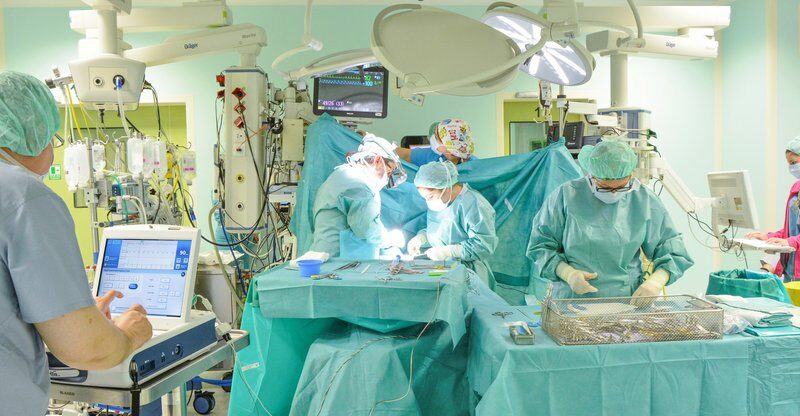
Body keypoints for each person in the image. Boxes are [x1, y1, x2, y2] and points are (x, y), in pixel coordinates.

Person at [0, 70, 153, 415]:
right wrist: (128, 335)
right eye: (51, 139)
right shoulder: (24, 197)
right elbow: (87, 349)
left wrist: (78, 314)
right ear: (29, 134)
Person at [527, 140, 694, 305]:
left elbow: (673, 250)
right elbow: (540, 246)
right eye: (605, 187)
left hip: (626, 302)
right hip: (572, 301)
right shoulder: (566, 195)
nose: (613, 194)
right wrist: (567, 273)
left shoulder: (643, 200)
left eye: (621, 187)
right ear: (591, 176)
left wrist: (656, 281)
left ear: (630, 176)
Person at [308, 133, 408, 258]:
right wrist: (391, 239)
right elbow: (366, 229)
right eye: (389, 171)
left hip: (326, 254)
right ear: (377, 160)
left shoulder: (343, 174)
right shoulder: (359, 185)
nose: (388, 177)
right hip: (337, 259)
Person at [407, 161, 498, 287]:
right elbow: (440, 230)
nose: (428, 201)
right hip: (443, 267)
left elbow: (484, 245)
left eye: (430, 196)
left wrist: (450, 251)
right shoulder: (441, 202)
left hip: (469, 272)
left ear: (446, 187)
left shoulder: (474, 204)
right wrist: (421, 238)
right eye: (425, 198)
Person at [746, 137, 800, 280]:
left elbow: (792, 238)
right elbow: (792, 229)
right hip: (792, 268)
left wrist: (789, 242)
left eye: (793, 163)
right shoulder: (796, 188)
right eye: (789, 164)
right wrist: (769, 237)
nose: (791, 168)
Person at [395, 119, 478, 166]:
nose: (433, 140)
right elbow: (405, 154)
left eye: (436, 138)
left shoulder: (474, 167)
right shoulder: (433, 155)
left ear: (449, 146)